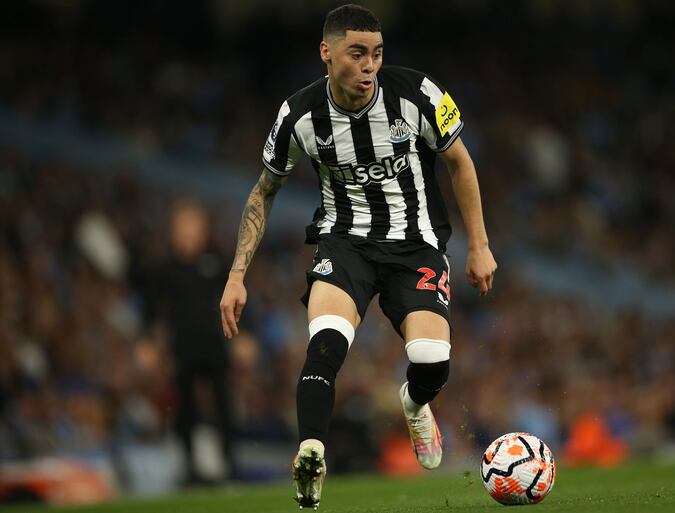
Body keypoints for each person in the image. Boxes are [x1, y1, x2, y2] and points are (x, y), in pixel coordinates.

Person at [219, 4, 496, 509]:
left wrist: (478, 244)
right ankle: (311, 452)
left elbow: (460, 161)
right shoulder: (299, 116)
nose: (370, 65)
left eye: (377, 53)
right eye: (357, 53)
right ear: (327, 53)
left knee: (431, 361)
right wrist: (237, 275)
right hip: (344, 243)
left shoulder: (417, 94)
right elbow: (264, 191)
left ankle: (414, 404)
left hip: (417, 246)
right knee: (326, 342)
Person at [152, 200, 235, 484]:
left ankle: (229, 464)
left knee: (224, 404)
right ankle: (188, 467)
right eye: (183, 228)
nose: (188, 234)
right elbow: (152, 311)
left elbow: (237, 299)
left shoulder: (216, 263)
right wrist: (149, 342)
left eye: (193, 228)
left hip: (214, 345)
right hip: (182, 348)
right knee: (183, 407)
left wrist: (245, 334)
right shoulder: (165, 270)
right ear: (173, 232)